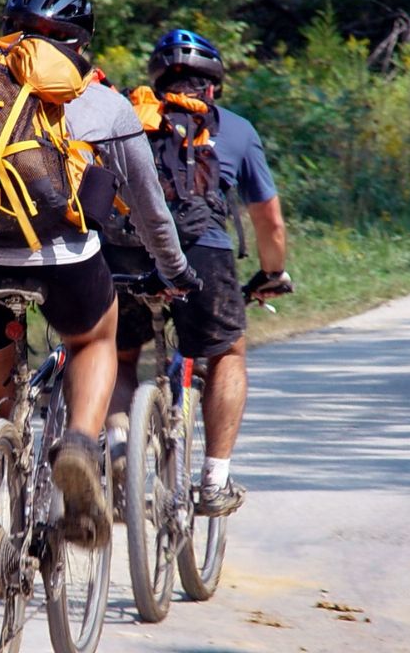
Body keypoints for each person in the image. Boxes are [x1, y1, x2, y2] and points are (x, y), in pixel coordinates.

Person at [0, 0, 197, 551]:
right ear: (81, 40)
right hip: (62, 258)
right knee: (94, 339)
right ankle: (78, 442)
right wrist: (176, 271)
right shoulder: (103, 100)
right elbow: (151, 210)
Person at [105, 29, 292, 518]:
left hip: (124, 253)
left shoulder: (126, 115)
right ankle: (214, 481)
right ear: (215, 83)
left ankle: (119, 448)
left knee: (119, 357)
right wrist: (273, 273)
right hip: (201, 254)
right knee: (227, 352)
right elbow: (268, 219)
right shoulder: (235, 128)